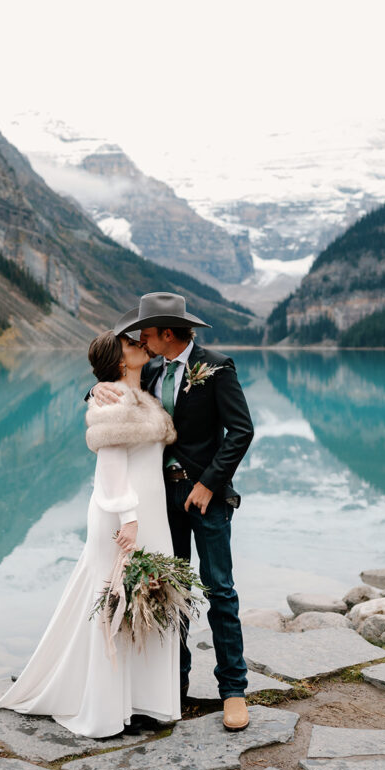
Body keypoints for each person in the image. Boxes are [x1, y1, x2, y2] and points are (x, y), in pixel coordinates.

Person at [0, 329, 181, 738]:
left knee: (146, 596)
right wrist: (129, 516)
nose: (141, 343)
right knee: (112, 600)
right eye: (130, 344)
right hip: (121, 513)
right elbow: (110, 468)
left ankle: (140, 702)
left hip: (150, 512)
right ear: (119, 360)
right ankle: (106, 708)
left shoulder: (140, 393)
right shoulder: (113, 400)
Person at [92, 291, 254, 732]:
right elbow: (115, 391)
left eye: (146, 332)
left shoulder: (217, 366)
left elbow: (241, 431)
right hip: (163, 503)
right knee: (171, 591)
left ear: (166, 333)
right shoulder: (152, 371)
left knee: (220, 589)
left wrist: (207, 484)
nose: (140, 340)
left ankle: (233, 691)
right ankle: (173, 687)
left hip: (209, 498)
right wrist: (94, 387)